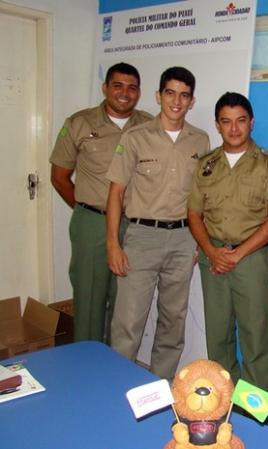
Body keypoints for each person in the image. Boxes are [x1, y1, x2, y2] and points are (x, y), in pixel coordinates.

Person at [106, 66, 210, 380]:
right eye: (170, 93)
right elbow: (116, 192)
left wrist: (198, 241)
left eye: (184, 95)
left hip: (182, 240)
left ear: (192, 101)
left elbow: (202, 195)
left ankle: (160, 388)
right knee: (129, 322)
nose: (176, 101)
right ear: (158, 96)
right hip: (141, 237)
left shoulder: (201, 140)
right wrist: (113, 242)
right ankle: (118, 388)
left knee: (172, 321)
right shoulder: (136, 137)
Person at [49, 62, 152, 343]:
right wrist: (89, 211)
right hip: (92, 222)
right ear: (105, 88)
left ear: (139, 93)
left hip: (133, 225)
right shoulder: (79, 123)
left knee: (125, 304)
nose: (124, 93)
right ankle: (86, 367)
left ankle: (114, 369)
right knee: (90, 300)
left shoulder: (148, 126)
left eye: (132, 88)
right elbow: (59, 177)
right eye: (117, 85)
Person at [187, 92, 268, 393]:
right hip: (213, 257)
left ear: (251, 123)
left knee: (255, 340)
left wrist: (238, 255)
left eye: (240, 121)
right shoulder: (206, 165)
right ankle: (224, 404)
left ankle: (256, 415)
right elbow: (194, 213)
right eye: (226, 122)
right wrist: (211, 252)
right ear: (217, 125)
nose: (234, 129)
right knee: (218, 336)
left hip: (251, 258)